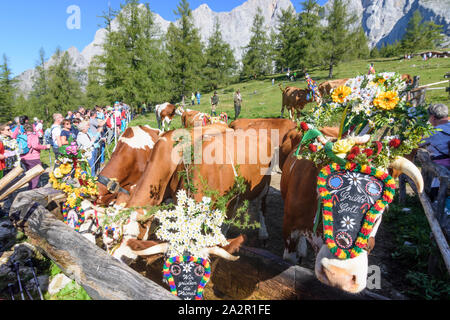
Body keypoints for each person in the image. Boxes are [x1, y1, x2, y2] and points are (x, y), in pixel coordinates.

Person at [422, 104, 450, 202]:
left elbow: (415, 144)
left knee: (437, 199)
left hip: (442, 171)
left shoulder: (432, 132)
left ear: (433, 117)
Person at [20, 124, 51, 189]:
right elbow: (35, 146)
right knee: (36, 173)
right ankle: (33, 188)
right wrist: (45, 146)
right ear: (32, 129)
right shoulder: (33, 136)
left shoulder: (22, 136)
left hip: (24, 157)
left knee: (29, 173)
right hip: (33, 157)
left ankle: (31, 185)